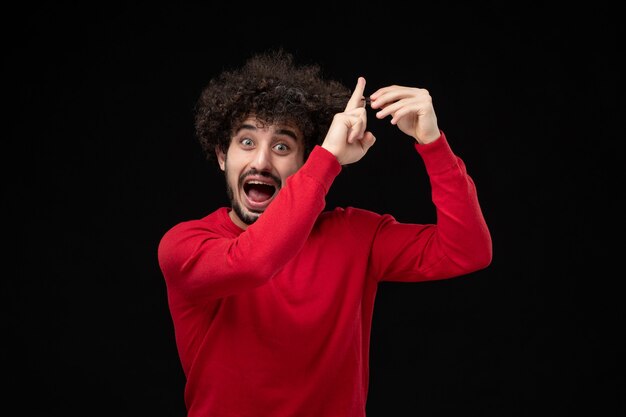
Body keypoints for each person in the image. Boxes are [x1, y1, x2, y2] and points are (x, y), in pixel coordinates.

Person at [157, 48, 492, 417]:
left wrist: (433, 144)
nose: (262, 161)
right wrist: (329, 159)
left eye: (282, 146)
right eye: (247, 142)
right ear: (222, 156)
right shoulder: (185, 245)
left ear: (304, 162)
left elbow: (468, 250)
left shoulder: (355, 236)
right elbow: (255, 262)